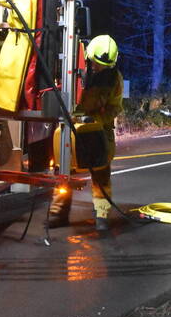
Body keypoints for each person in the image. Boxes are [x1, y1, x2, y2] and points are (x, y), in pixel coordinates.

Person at [50, 34, 123, 230]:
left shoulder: (114, 78)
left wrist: (96, 120)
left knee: (101, 171)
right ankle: (58, 213)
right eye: (96, 64)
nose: (99, 68)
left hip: (98, 129)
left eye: (103, 66)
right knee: (63, 170)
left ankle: (101, 214)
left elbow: (115, 107)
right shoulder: (74, 70)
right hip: (71, 125)